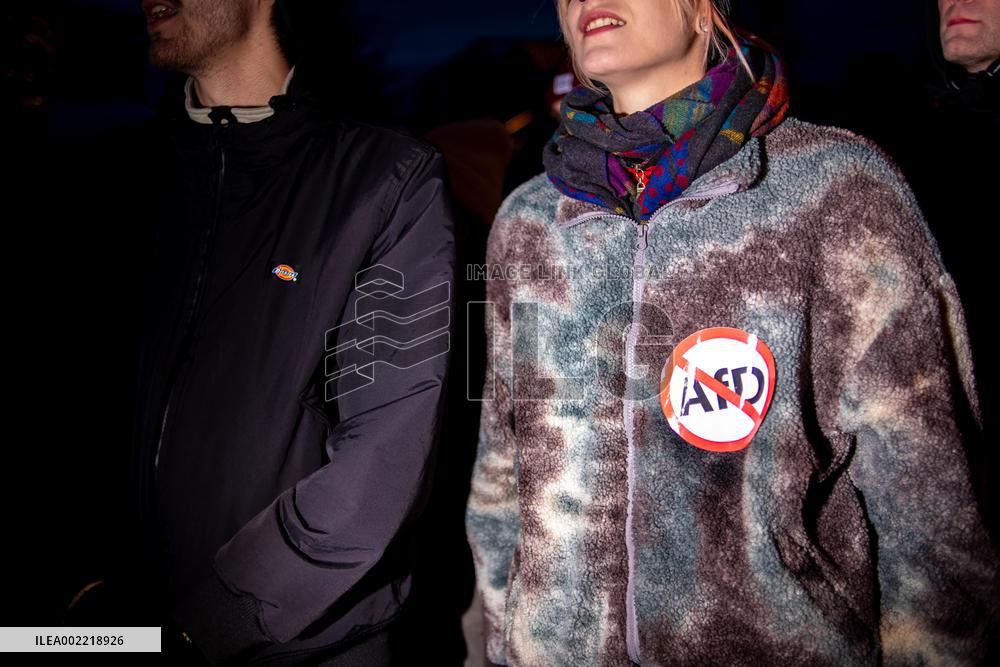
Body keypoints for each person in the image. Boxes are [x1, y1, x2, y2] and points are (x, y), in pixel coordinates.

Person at [465, 0, 999, 664]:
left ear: (702, 10)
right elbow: (502, 473)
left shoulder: (835, 190)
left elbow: (931, 515)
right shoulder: (529, 220)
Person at [69, 0, 457, 664]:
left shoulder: (382, 178)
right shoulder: (106, 179)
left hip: (305, 645)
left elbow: (385, 454)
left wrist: (213, 617)